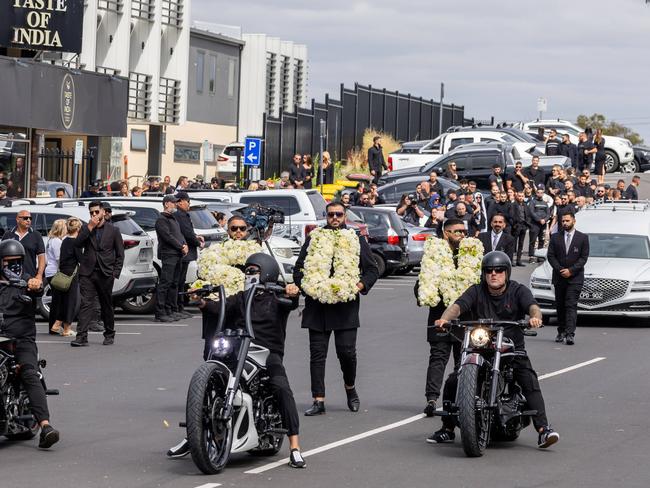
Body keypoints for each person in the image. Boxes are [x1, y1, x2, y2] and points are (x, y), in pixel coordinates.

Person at [168, 254, 306, 468]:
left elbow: (291, 302)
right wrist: (201, 301)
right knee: (212, 381)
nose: (248, 274)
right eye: (247, 271)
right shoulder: (241, 297)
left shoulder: (276, 298)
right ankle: (194, 437)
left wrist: (292, 292)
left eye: (253, 270)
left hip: (267, 352)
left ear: (266, 272)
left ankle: (295, 447)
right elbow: (217, 308)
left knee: (281, 387)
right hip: (238, 348)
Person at [428, 251, 560, 449]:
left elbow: (532, 306)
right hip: (481, 347)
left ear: (506, 272)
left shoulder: (517, 290)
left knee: (528, 379)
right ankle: (447, 429)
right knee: (454, 380)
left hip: (511, 348)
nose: (494, 274)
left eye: (498, 270)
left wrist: (535, 317)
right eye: (489, 270)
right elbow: (458, 306)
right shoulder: (476, 290)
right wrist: (445, 319)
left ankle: (543, 430)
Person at [294, 202, 379, 416]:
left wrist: (359, 285)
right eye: (331, 214)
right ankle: (318, 399)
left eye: (338, 214)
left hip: (345, 306)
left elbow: (371, 269)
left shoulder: (355, 238)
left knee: (346, 353)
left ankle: (350, 389)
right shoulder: (314, 237)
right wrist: (308, 287)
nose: (334, 218)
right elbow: (299, 268)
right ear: (326, 216)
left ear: (344, 217)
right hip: (317, 306)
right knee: (317, 355)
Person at [415, 219, 480, 417]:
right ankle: (432, 399)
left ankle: (461, 398)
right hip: (439, 316)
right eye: (457, 231)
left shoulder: (473, 253)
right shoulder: (433, 254)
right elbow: (423, 281)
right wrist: (423, 294)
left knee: (463, 361)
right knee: (438, 357)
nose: (461, 235)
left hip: (465, 317)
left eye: (463, 231)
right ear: (446, 233)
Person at [0, 240, 60, 449]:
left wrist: (36, 284)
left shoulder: (27, 282)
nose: (13, 266)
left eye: (17, 262)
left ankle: (45, 426)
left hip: (21, 341)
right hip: (0, 341)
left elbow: (38, 287)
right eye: (8, 262)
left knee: (29, 373)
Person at [71, 201, 124, 347]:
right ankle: (81, 337)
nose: (94, 215)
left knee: (106, 304)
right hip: (88, 273)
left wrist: (115, 272)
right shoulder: (86, 228)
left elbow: (120, 254)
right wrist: (89, 227)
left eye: (96, 212)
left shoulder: (113, 230)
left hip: (106, 272)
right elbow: (77, 244)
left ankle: (109, 334)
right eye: (91, 213)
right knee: (86, 304)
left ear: (103, 212)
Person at [547, 213, 589, 345]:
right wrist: (560, 270)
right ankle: (561, 331)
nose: (565, 223)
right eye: (563, 221)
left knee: (571, 305)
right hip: (559, 277)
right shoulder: (555, 238)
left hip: (575, 278)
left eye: (567, 220)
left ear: (574, 221)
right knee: (560, 305)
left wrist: (571, 271)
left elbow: (583, 258)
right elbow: (551, 256)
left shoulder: (582, 238)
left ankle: (570, 334)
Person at [154, 195, 188, 323]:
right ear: (167, 204)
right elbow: (167, 237)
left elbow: (179, 234)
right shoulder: (162, 220)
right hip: (169, 254)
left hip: (177, 253)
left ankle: (170, 309)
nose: (176, 205)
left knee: (174, 282)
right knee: (165, 283)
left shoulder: (172, 218)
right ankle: (160, 312)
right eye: (174, 203)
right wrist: (181, 246)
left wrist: (184, 245)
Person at [173, 192, 204, 318]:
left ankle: (179, 306)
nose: (189, 204)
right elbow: (186, 232)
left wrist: (196, 237)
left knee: (181, 280)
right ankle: (177, 307)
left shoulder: (182, 214)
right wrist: (197, 242)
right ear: (181, 202)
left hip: (185, 251)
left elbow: (189, 231)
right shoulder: (180, 215)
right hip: (183, 251)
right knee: (178, 280)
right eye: (188, 202)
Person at [54, 217, 83, 337]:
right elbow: (80, 259)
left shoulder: (65, 240)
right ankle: (67, 329)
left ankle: (56, 325)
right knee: (71, 302)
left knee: (64, 301)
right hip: (71, 275)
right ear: (78, 228)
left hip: (63, 273)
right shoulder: (76, 242)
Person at [2, 210, 45, 288]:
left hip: (30, 277)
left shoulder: (36, 235)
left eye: (30, 218)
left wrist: (39, 275)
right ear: (17, 219)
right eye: (25, 218)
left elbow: (41, 257)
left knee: (29, 299)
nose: (28, 220)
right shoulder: (8, 234)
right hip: (11, 277)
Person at [44, 219, 67, 335]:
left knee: (56, 301)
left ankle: (55, 326)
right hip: (55, 272)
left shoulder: (51, 240)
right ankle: (55, 326)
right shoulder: (57, 241)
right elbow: (59, 259)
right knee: (58, 302)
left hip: (50, 272)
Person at [528, 185, 551, 263]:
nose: (540, 194)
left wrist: (545, 219)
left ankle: (540, 256)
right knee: (532, 241)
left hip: (543, 224)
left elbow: (548, 213)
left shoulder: (545, 203)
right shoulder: (532, 202)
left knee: (542, 240)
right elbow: (531, 212)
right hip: (534, 224)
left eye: (541, 193)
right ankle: (531, 256)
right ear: (536, 193)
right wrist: (539, 220)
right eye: (538, 193)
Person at [510, 191, 530, 266]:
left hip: (523, 226)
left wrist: (527, 224)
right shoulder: (513, 205)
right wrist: (514, 225)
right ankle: (511, 260)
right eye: (519, 196)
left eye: (522, 196)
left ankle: (518, 260)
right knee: (513, 244)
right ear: (516, 196)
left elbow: (528, 215)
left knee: (521, 244)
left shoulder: (525, 205)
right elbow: (511, 216)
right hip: (516, 226)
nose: (521, 197)